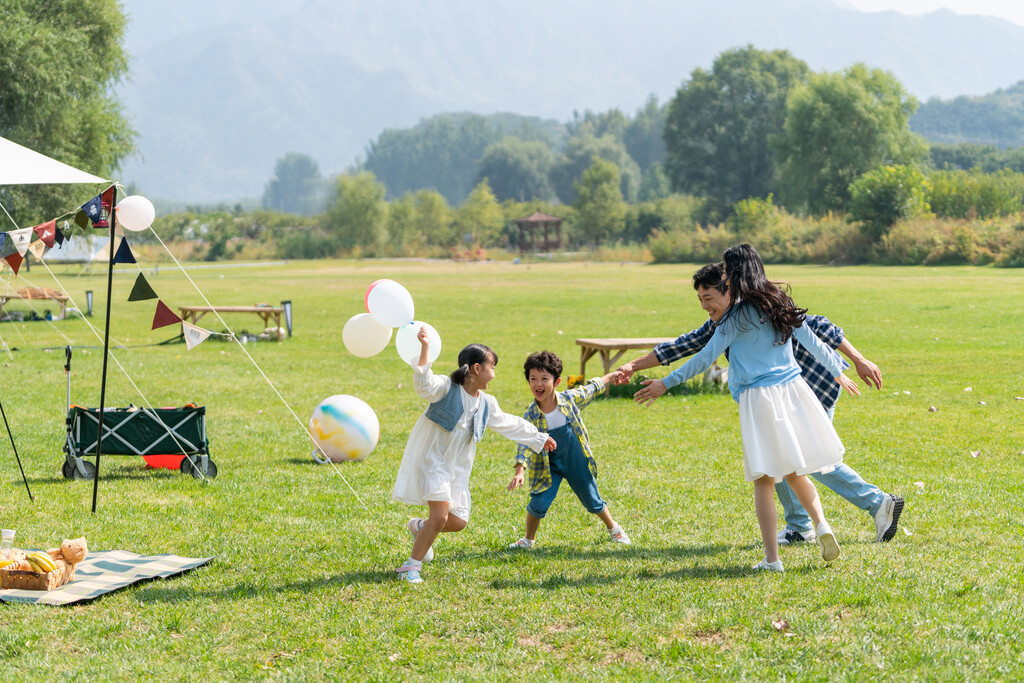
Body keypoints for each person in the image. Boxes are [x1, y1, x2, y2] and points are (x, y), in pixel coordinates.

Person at [617, 262, 904, 544]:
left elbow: (821, 328)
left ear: (729, 291)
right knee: (780, 454)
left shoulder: (765, 306)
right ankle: (799, 526)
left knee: (812, 458)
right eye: (700, 299)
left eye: (709, 298)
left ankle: (879, 504)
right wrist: (632, 364)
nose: (704, 305)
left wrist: (858, 360)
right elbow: (683, 346)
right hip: (779, 393)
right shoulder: (724, 321)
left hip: (812, 383)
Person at [392, 327, 556, 584]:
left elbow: (508, 423)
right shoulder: (446, 388)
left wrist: (538, 437)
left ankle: (419, 528)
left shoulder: (486, 403)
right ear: (477, 369)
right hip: (433, 461)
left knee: (458, 521)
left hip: (457, 469)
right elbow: (424, 385)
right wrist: (424, 348)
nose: (494, 374)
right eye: (493, 367)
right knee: (440, 516)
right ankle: (411, 567)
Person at [506, 351, 630, 549]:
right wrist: (520, 470)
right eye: (533, 379)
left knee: (592, 500)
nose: (538, 384)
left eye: (544, 379)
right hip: (548, 465)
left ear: (556, 382)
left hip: (575, 460)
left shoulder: (569, 399)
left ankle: (614, 528)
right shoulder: (531, 414)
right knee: (538, 503)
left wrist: (609, 376)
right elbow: (524, 441)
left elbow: (591, 389)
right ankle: (528, 539)